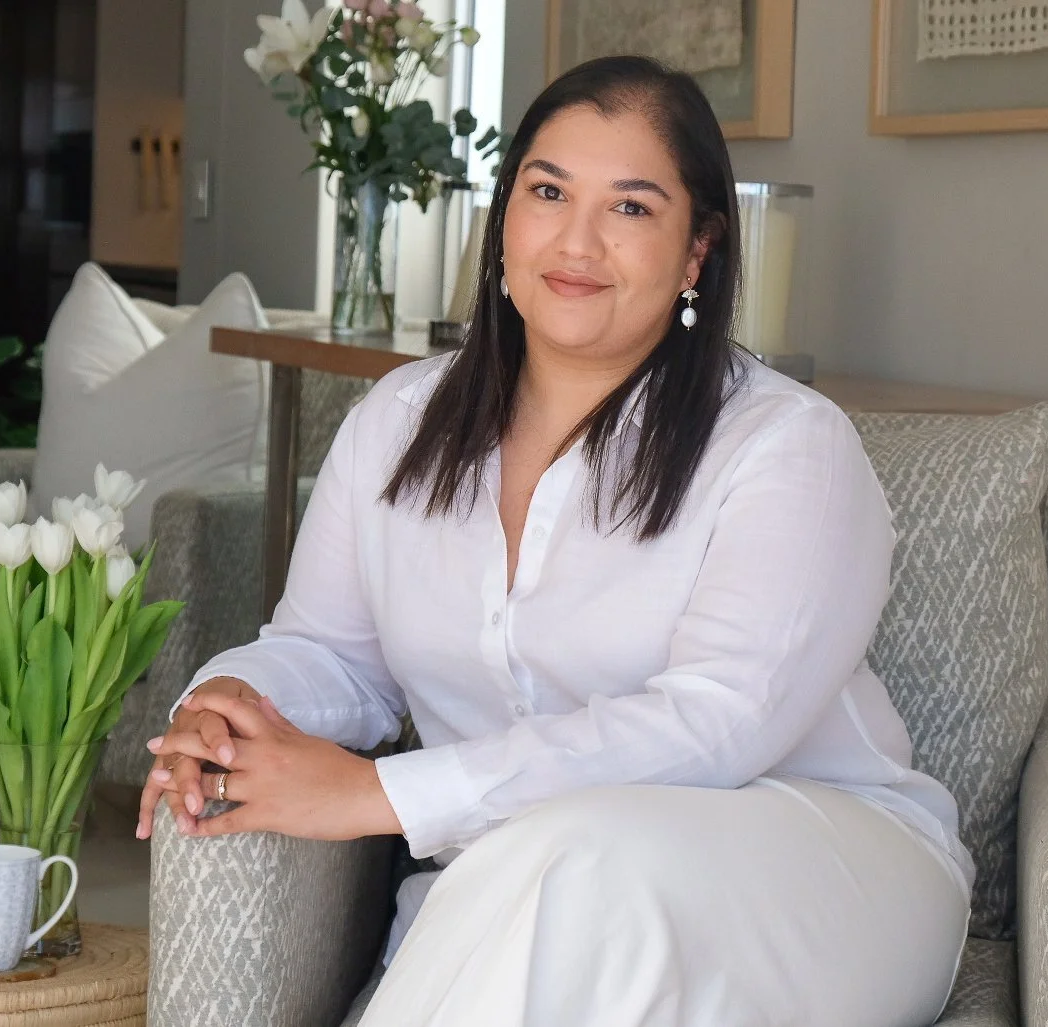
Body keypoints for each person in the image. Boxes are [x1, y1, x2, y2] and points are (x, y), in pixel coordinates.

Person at [136, 55, 971, 1027]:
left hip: (823, 879)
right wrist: (231, 705)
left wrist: (381, 795)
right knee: (561, 867)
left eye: (630, 208)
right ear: (505, 221)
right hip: (527, 886)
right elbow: (331, 656)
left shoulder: (786, 447)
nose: (576, 240)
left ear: (696, 250)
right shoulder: (397, 423)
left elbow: (714, 727)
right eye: (546, 191)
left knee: (580, 850)